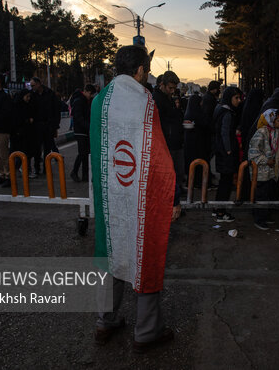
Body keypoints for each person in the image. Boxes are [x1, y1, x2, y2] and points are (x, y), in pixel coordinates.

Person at [90, 45, 180, 353]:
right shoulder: (145, 102)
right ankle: (146, 332)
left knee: (111, 253)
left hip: (111, 194)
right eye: (147, 69)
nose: (148, 75)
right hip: (140, 195)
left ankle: (104, 322)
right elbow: (158, 156)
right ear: (140, 70)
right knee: (145, 254)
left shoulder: (100, 101)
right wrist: (171, 194)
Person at [248, 109, 279, 229]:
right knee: (261, 194)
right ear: (270, 120)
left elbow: (278, 150)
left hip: (272, 170)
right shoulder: (261, 132)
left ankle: (265, 216)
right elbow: (253, 152)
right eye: (278, 120)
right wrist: (265, 160)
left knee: (268, 194)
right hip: (260, 171)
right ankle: (259, 219)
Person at [213, 86, 242, 222]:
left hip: (220, 151)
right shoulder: (228, 113)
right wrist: (229, 150)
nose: (239, 101)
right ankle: (221, 212)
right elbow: (225, 133)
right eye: (236, 98)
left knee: (223, 181)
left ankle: (217, 208)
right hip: (226, 154)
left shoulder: (220, 109)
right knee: (226, 182)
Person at [152, 71, 185, 190]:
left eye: (174, 88)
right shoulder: (156, 99)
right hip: (166, 143)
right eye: (170, 88)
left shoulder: (168, 98)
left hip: (174, 141)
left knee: (177, 174)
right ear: (162, 84)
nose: (172, 91)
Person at [29, 77, 60, 176]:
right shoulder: (32, 95)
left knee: (47, 149)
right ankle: (37, 168)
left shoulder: (50, 94)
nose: (32, 87)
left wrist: (55, 126)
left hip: (48, 125)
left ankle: (46, 169)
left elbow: (56, 110)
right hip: (37, 125)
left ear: (39, 84)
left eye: (33, 85)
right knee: (37, 149)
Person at [183, 93, 210, 188]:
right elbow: (205, 124)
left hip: (189, 143)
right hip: (198, 142)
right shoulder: (198, 113)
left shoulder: (187, 113)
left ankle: (191, 182)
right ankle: (197, 182)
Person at [70, 84, 95, 182]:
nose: (91, 96)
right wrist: (88, 126)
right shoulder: (79, 101)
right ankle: (74, 172)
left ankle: (85, 175)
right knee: (82, 153)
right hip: (80, 131)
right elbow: (78, 117)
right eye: (90, 94)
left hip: (85, 131)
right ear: (86, 91)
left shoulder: (86, 101)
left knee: (86, 154)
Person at [202, 80, 221, 185]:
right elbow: (209, 116)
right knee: (209, 154)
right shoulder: (209, 100)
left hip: (209, 131)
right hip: (209, 131)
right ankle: (207, 176)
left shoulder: (208, 98)